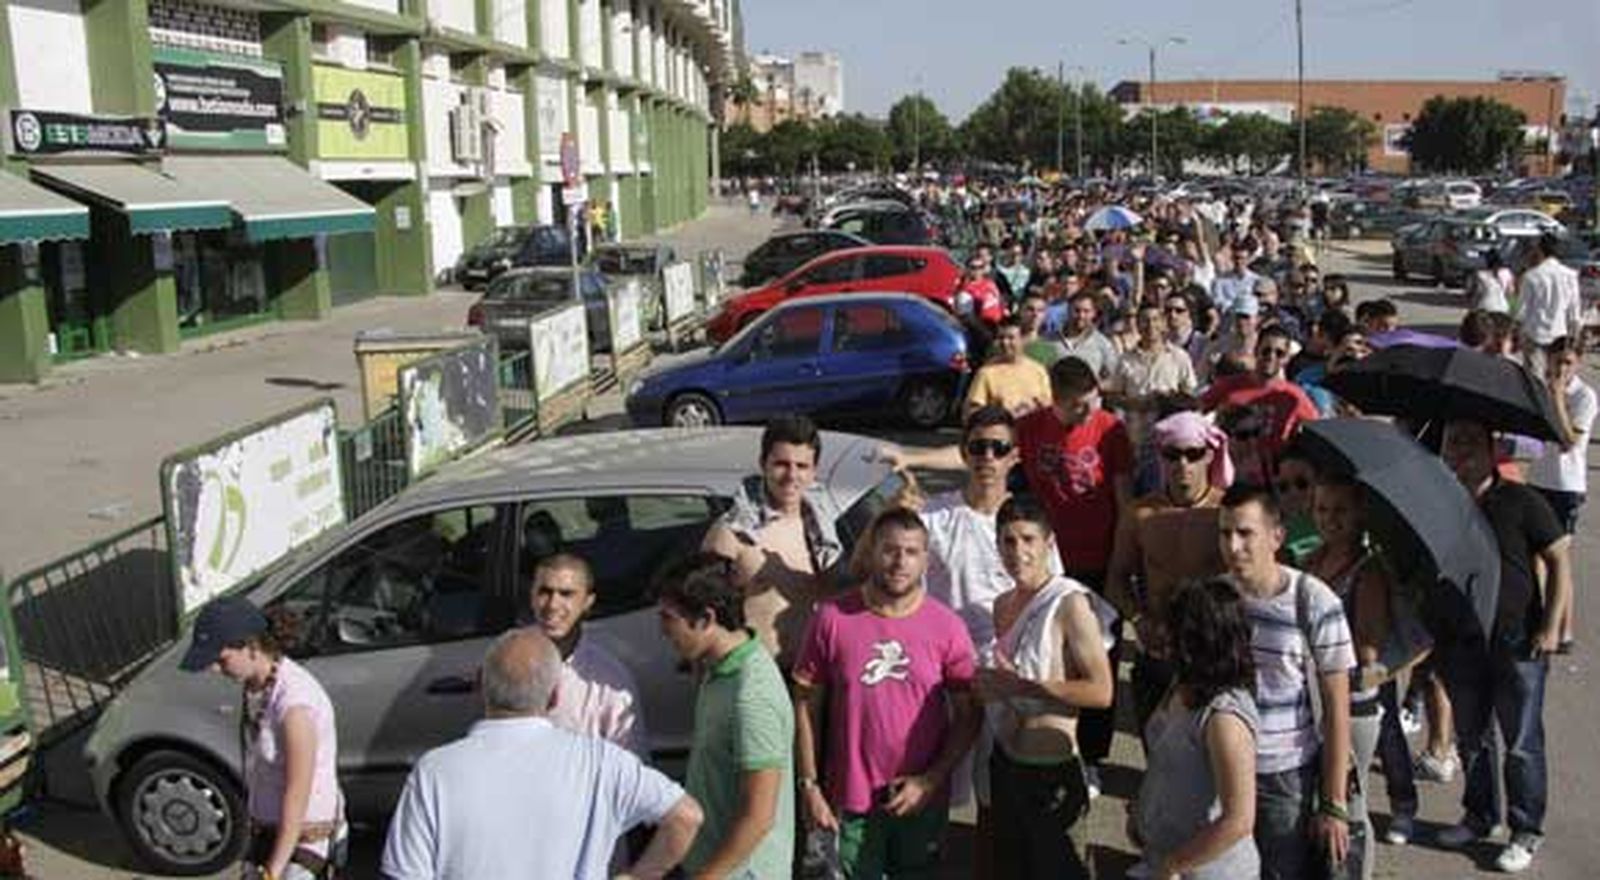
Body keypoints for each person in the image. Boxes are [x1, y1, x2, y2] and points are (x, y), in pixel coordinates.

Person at [381, 628, 704, 879]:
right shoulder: (602, 762)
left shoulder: (435, 772)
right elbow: (686, 817)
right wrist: (636, 876)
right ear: (555, 696)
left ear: (480, 685)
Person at [792, 508, 980, 878]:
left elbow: (970, 713)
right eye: (890, 550)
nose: (900, 562)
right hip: (850, 799)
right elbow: (805, 705)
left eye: (911, 552)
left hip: (920, 798)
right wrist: (809, 785)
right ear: (871, 552)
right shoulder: (832, 618)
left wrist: (931, 779)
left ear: (926, 560)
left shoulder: (948, 626)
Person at [1435, 418, 1573, 873]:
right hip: (1461, 639)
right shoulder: (1441, 504)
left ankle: (1525, 830)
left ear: (1492, 449)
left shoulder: (1520, 500)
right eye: (1453, 442)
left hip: (1518, 640)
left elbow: (1559, 558)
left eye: (1471, 442)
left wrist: (1552, 627)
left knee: (1521, 744)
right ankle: (1479, 816)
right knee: (1472, 738)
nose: (1461, 451)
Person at [1218, 485, 1356, 880]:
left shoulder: (1314, 602)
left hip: (1284, 774)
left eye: (1245, 533)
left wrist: (1333, 804)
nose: (1233, 546)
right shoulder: (1215, 597)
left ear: (1277, 536)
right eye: (1225, 533)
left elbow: (1337, 709)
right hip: (1219, 767)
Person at [977, 496, 1116, 878]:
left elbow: (1102, 691)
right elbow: (1006, 683)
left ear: (1048, 543)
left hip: (1051, 769)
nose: (1017, 552)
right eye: (1008, 541)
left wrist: (1026, 687)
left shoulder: (1069, 603)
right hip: (1005, 762)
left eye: (1028, 540)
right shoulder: (1001, 605)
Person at [181, 597, 345, 880]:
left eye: (221, 660)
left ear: (252, 647)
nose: (214, 669)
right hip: (268, 832)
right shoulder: (256, 685)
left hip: (305, 841)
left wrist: (271, 873)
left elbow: (297, 796)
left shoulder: (296, 706)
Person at [656, 554, 795, 879]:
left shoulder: (752, 696)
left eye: (668, 618)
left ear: (706, 618)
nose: (662, 631)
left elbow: (758, 817)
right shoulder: (717, 670)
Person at [1106, 410, 1234, 735]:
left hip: (1213, 653)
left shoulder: (1226, 512)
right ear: (1160, 457)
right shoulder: (1140, 514)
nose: (1183, 464)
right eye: (1172, 454)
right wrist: (1139, 621)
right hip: (1158, 651)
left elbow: (1249, 581)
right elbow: (1116, 579)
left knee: (1212, 752)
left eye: (1194, 454)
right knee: (1158, 752)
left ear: (1210, 455)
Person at [1133, 578, 1261, 880]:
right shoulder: (1182, 684)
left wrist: (1174, 865)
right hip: (1162, 859)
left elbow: (1238, 820)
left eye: (1175, 630)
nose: (1164, 635)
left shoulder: (1225, 719)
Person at [1304, 478, 1395, 880]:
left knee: (1349, 808)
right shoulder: (1311, 561)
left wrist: (1318, 645)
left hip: (1353, 706)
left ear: (1359, 514)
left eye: (1340, 510)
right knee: (1319, 799)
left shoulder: (1368, 572)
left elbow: (1369, 650)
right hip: (1313, 698)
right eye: (1322, 509)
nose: (1330, 519)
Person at [703, 416, 841, 670]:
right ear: (763, 464)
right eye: (781, 464)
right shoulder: (731, 535)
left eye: (802, 466)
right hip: (759, 677)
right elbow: (702, 626)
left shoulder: (822, 529)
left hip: (812, 675)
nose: (792, 475)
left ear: (814, 471)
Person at [530, 553, 645, 753]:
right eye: (544, 592)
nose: (553, 604)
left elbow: (630, 760)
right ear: (531, 596)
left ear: (587, 602)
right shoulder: (507, 661)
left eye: (566, 594)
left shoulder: (609, 678)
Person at [1526, 336, 1595, 653]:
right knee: (1534, 557)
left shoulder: (1584, 396)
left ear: (1578, 363)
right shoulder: (1541, 389)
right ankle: (1541, 620)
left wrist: (1556, 397)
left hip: (1566, 486)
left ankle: (1563, 630)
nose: (1562, 368)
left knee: (1558, 558)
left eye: (1568, 362)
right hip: (1539, 479)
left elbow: (1569, 441)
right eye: (1557, 361)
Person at [1203, 327, 1321, 488]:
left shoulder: (1294, 396)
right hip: (1230, 472)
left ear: (1286, 358)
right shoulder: (1229, 386)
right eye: (1266, 351)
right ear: (1256, 350)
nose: (1271, 357)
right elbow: (1196, 413)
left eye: (1279, 353)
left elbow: (1317, 430)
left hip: (1272, 478)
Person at [1107, 299, 1199, 489]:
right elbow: (1113, 396)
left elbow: (1191, 395)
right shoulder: (1125, 360)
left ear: (1163, 323)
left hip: (1170, 443)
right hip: (1136, 440)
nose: (1150, 325)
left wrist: (1169, 399)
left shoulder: (1179, 357)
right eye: (1145, 320)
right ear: (1137, 324)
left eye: (1155, 319)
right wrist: (1136, 403)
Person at [1515, 233, 1584, 377]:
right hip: (1559, 334)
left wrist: (1517, 334)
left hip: (1535, 334)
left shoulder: (1531, 276)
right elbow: (1574, 310)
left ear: (1540, 250)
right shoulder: (1570, 275)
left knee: (1534, 378)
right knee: (1556, 375)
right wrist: (1574, 337)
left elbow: (1522, 311)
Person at [963, 317, 1053, 419]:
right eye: (1001, 338)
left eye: (1011, 338)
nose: (1005, 343)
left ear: (1022, 340)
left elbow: (1049, 406)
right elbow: (971, 412)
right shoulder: (986, 373)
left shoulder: (1038, 371)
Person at [1054, 291, 1121, 382]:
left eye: (1086, 311)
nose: (1081, 316)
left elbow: (1114, 377)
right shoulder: (1048, 339)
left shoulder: (1103, 344)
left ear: (1094, 313)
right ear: (1068, 310)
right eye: (1076, 310)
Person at [1468, 249, 1514, 314]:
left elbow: (1476, 294)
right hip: (1503, 308)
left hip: (1485, 307)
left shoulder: (1480, 275)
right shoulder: (1507, 273)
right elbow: (1510, 292)